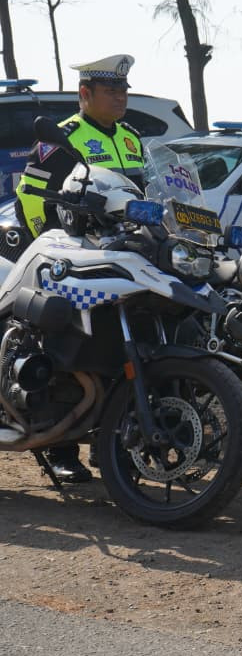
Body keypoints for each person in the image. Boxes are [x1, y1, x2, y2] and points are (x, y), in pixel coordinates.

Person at [15, 54, 145, 484]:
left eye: (124, 89)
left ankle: (120, 446)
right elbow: (32, 199)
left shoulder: (131, 139)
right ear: (85, 95)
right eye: (111, 90)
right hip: (74, 262)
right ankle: (60, 448)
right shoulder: (63, 138)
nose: (121, 96)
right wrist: (55, 250)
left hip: (125, 258)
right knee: (64, 346)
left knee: (127, 349)